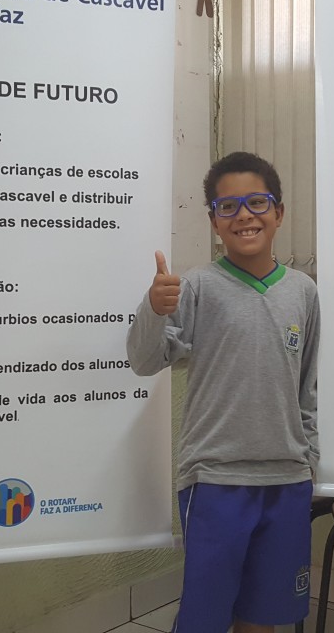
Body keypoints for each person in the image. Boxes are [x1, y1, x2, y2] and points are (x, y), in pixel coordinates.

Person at [127, 151, 320, 633]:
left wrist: (310, 457)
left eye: (257, 202)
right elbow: (145, 361)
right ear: (214, 221)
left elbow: (309, 386)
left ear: (278, 212)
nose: (244, 216)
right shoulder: (195, 287)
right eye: (227, 207)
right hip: (215, 479)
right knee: (206, 619)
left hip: (286, 479)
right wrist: (153, 308)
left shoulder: (303, 291)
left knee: (263, 616)